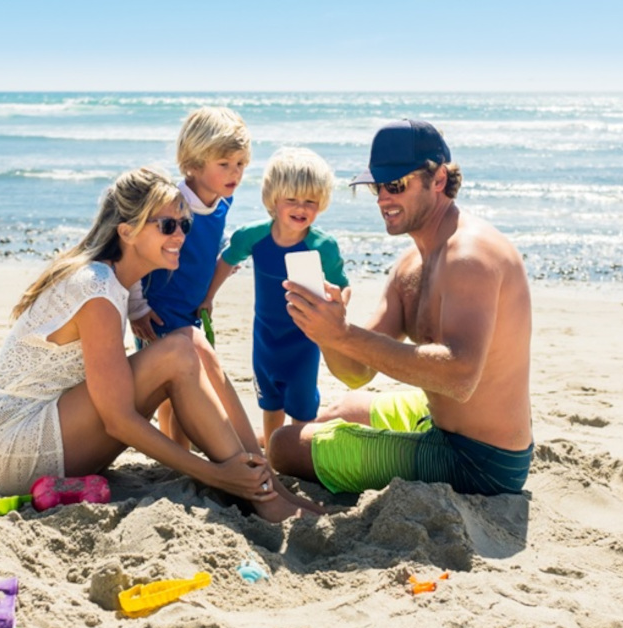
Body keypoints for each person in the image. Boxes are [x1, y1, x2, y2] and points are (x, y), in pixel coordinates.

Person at [0, 167, 313, 522]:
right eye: (167, 225)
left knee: (190, 340)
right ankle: (255, 490)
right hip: (14, 450)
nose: (180, 234)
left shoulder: (119, 282)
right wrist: (214, 475)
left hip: (54, 435)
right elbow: (119, 420)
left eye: (185, 224)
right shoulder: (96, 289)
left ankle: (264, 481)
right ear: (127, 231)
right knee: (177, 352)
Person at [267, 119, 534, 497]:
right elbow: (356, 372)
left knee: (284, 445)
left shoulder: (471, 255)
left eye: (395, 186)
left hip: (482, 461)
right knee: (340, 409)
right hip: (438, 423)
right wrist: (325, 333)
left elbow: (460, 377)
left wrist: (345, 335)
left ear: (438, 179)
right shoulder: (411, 265)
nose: (382, 200)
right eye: (377, 187)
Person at [202, 147, 349, 449]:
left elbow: (342, 286)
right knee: (269, 401)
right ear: (273, 199)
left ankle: (300, 454)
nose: (301, 208)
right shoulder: (253, 236)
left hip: (304, 338)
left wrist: (338, 302)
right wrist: (208, 297)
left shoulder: (323, 245)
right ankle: (272, 451)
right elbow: (227, 260)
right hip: (266, 337)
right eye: (291, 200)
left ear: (321, 203)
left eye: (310, 201)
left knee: (302, 402)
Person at [128, 107, 256, 450]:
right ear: (194, 164)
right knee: (177, 390)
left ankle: (181, 451)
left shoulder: (224, 201)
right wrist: (137, 307)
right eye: (225, 164)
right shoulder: (173, 204)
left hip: (192, 308)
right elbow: (138, 253)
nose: (236, 173)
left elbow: (207, 242)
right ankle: (181, 452)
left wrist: (210, 289)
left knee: (187, 388)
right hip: (160, 310)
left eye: (241, 163)